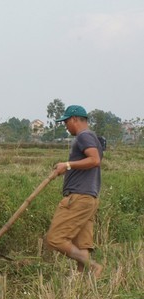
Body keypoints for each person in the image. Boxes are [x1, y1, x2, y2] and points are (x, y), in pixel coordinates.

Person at [45, 105, 104, 277]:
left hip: (78, 197)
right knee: (81, 244)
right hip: (88, 198)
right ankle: (81, 283)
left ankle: (92, 266)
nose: (65, 126)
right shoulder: (92, 137)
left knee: (54, 239)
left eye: (65, 122)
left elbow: (94, 160)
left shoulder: (84, 136)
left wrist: (68, 164)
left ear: (74, 119)